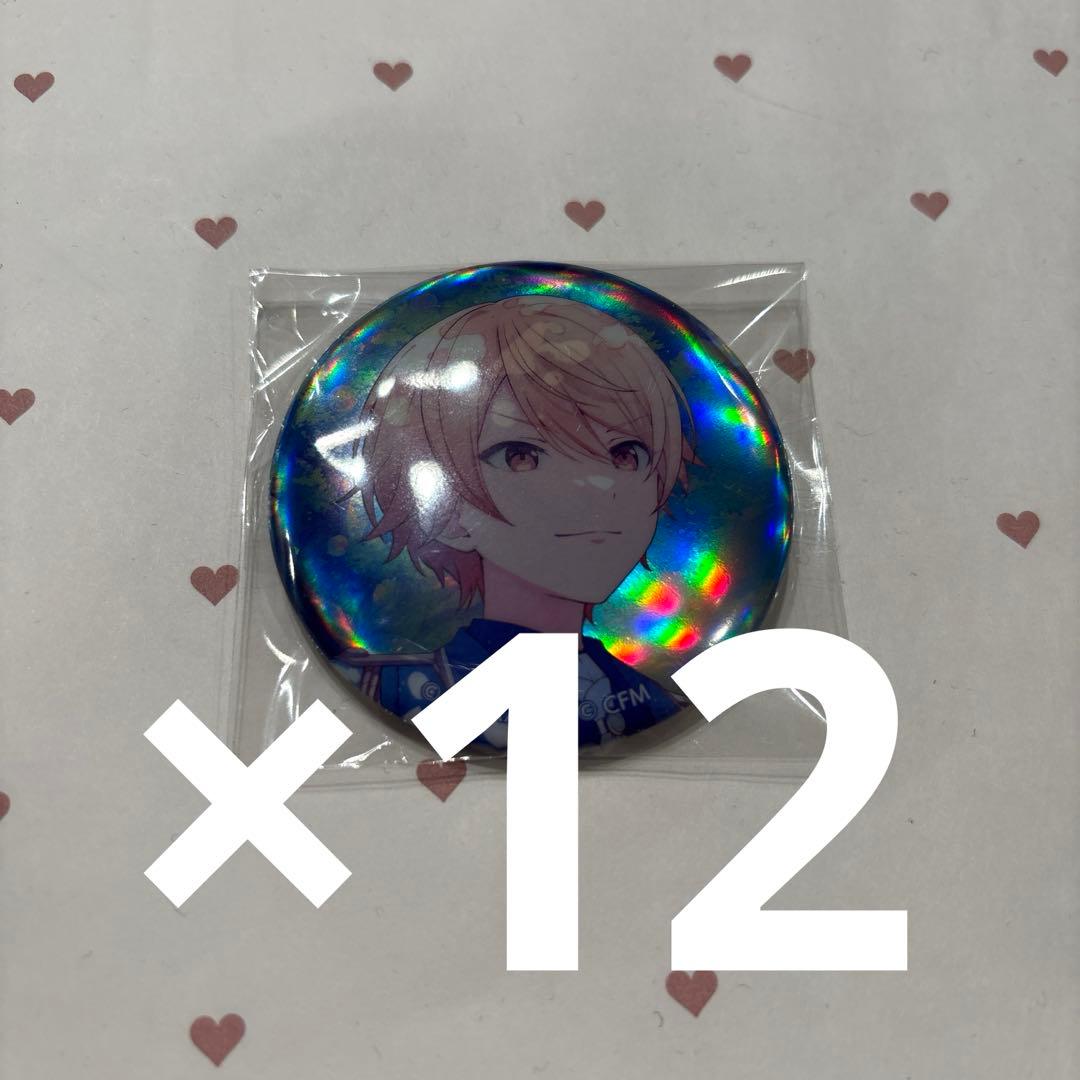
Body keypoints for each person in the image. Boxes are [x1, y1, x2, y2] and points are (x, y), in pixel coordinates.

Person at [335, 294, 699, 746]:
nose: (599, 485)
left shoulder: (654, 701)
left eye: (625, 454)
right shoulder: (387, 688)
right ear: (446, 514)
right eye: (521, 456)